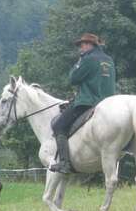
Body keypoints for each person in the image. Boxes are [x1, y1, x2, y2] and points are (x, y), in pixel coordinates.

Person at [49, 33, 116, 174]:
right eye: (80, 45)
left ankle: (64, 163)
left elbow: (73, 78)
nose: (80, 48)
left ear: (90, 45)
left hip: (88, 102)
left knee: (58, 126)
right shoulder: (109, 60)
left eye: (82, 44)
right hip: (109, 103)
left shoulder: (87, 59)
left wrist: (79, 61)